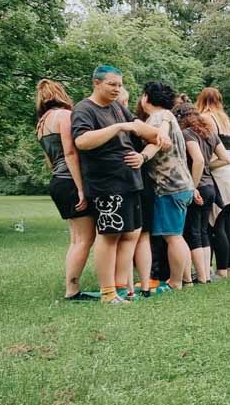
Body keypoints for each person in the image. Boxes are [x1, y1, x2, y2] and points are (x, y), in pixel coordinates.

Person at [72, 65, 171, 305]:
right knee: (109, 235)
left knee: (130, 234)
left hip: (129, 181)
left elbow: (137, 126)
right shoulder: (84, 110)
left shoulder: (116, 107)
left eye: (119, 84)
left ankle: (119, 289)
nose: (117, 89)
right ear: (96, 83)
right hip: (107, 183)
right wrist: (118, 127)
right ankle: (107, 294)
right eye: (112, 84)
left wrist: (159, 135)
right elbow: (82, 141)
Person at [35, 79, 96, 301]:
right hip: (71, 180)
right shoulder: (64, 116)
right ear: (60, 94)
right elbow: (71, 153)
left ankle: (71, 287)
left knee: (76, 239)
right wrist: (81, 188)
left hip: (57, 181)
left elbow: (50, 160)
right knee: (85, 239)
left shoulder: (41, 124)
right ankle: (72, 290)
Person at [136, 82, 196, 293]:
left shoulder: (158, 118)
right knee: (177, 235)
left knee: (173, 236)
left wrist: (142, 157)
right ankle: (186, 280)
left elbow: (159, 139)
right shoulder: (168, 115)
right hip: (182, 184)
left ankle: (176, 282)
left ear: (146, 97)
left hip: (170, 186)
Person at [196, 87, 230, 278]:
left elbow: (210, 146)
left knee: (216, 223)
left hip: (219, 169)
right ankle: (229, 268)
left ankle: (221, 269)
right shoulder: (224, 118)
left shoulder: (206, 118)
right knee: (226, 223)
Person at [177, 102, 224, 286]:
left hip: (198, 187)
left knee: (193, 232)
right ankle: (206, 273)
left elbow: (197, 159)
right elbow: (225, 158)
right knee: (204, 230)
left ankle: (202, 276)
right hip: (210, 186)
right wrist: (207, 167)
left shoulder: (187, 134)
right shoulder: (210, 134)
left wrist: (192, 186)